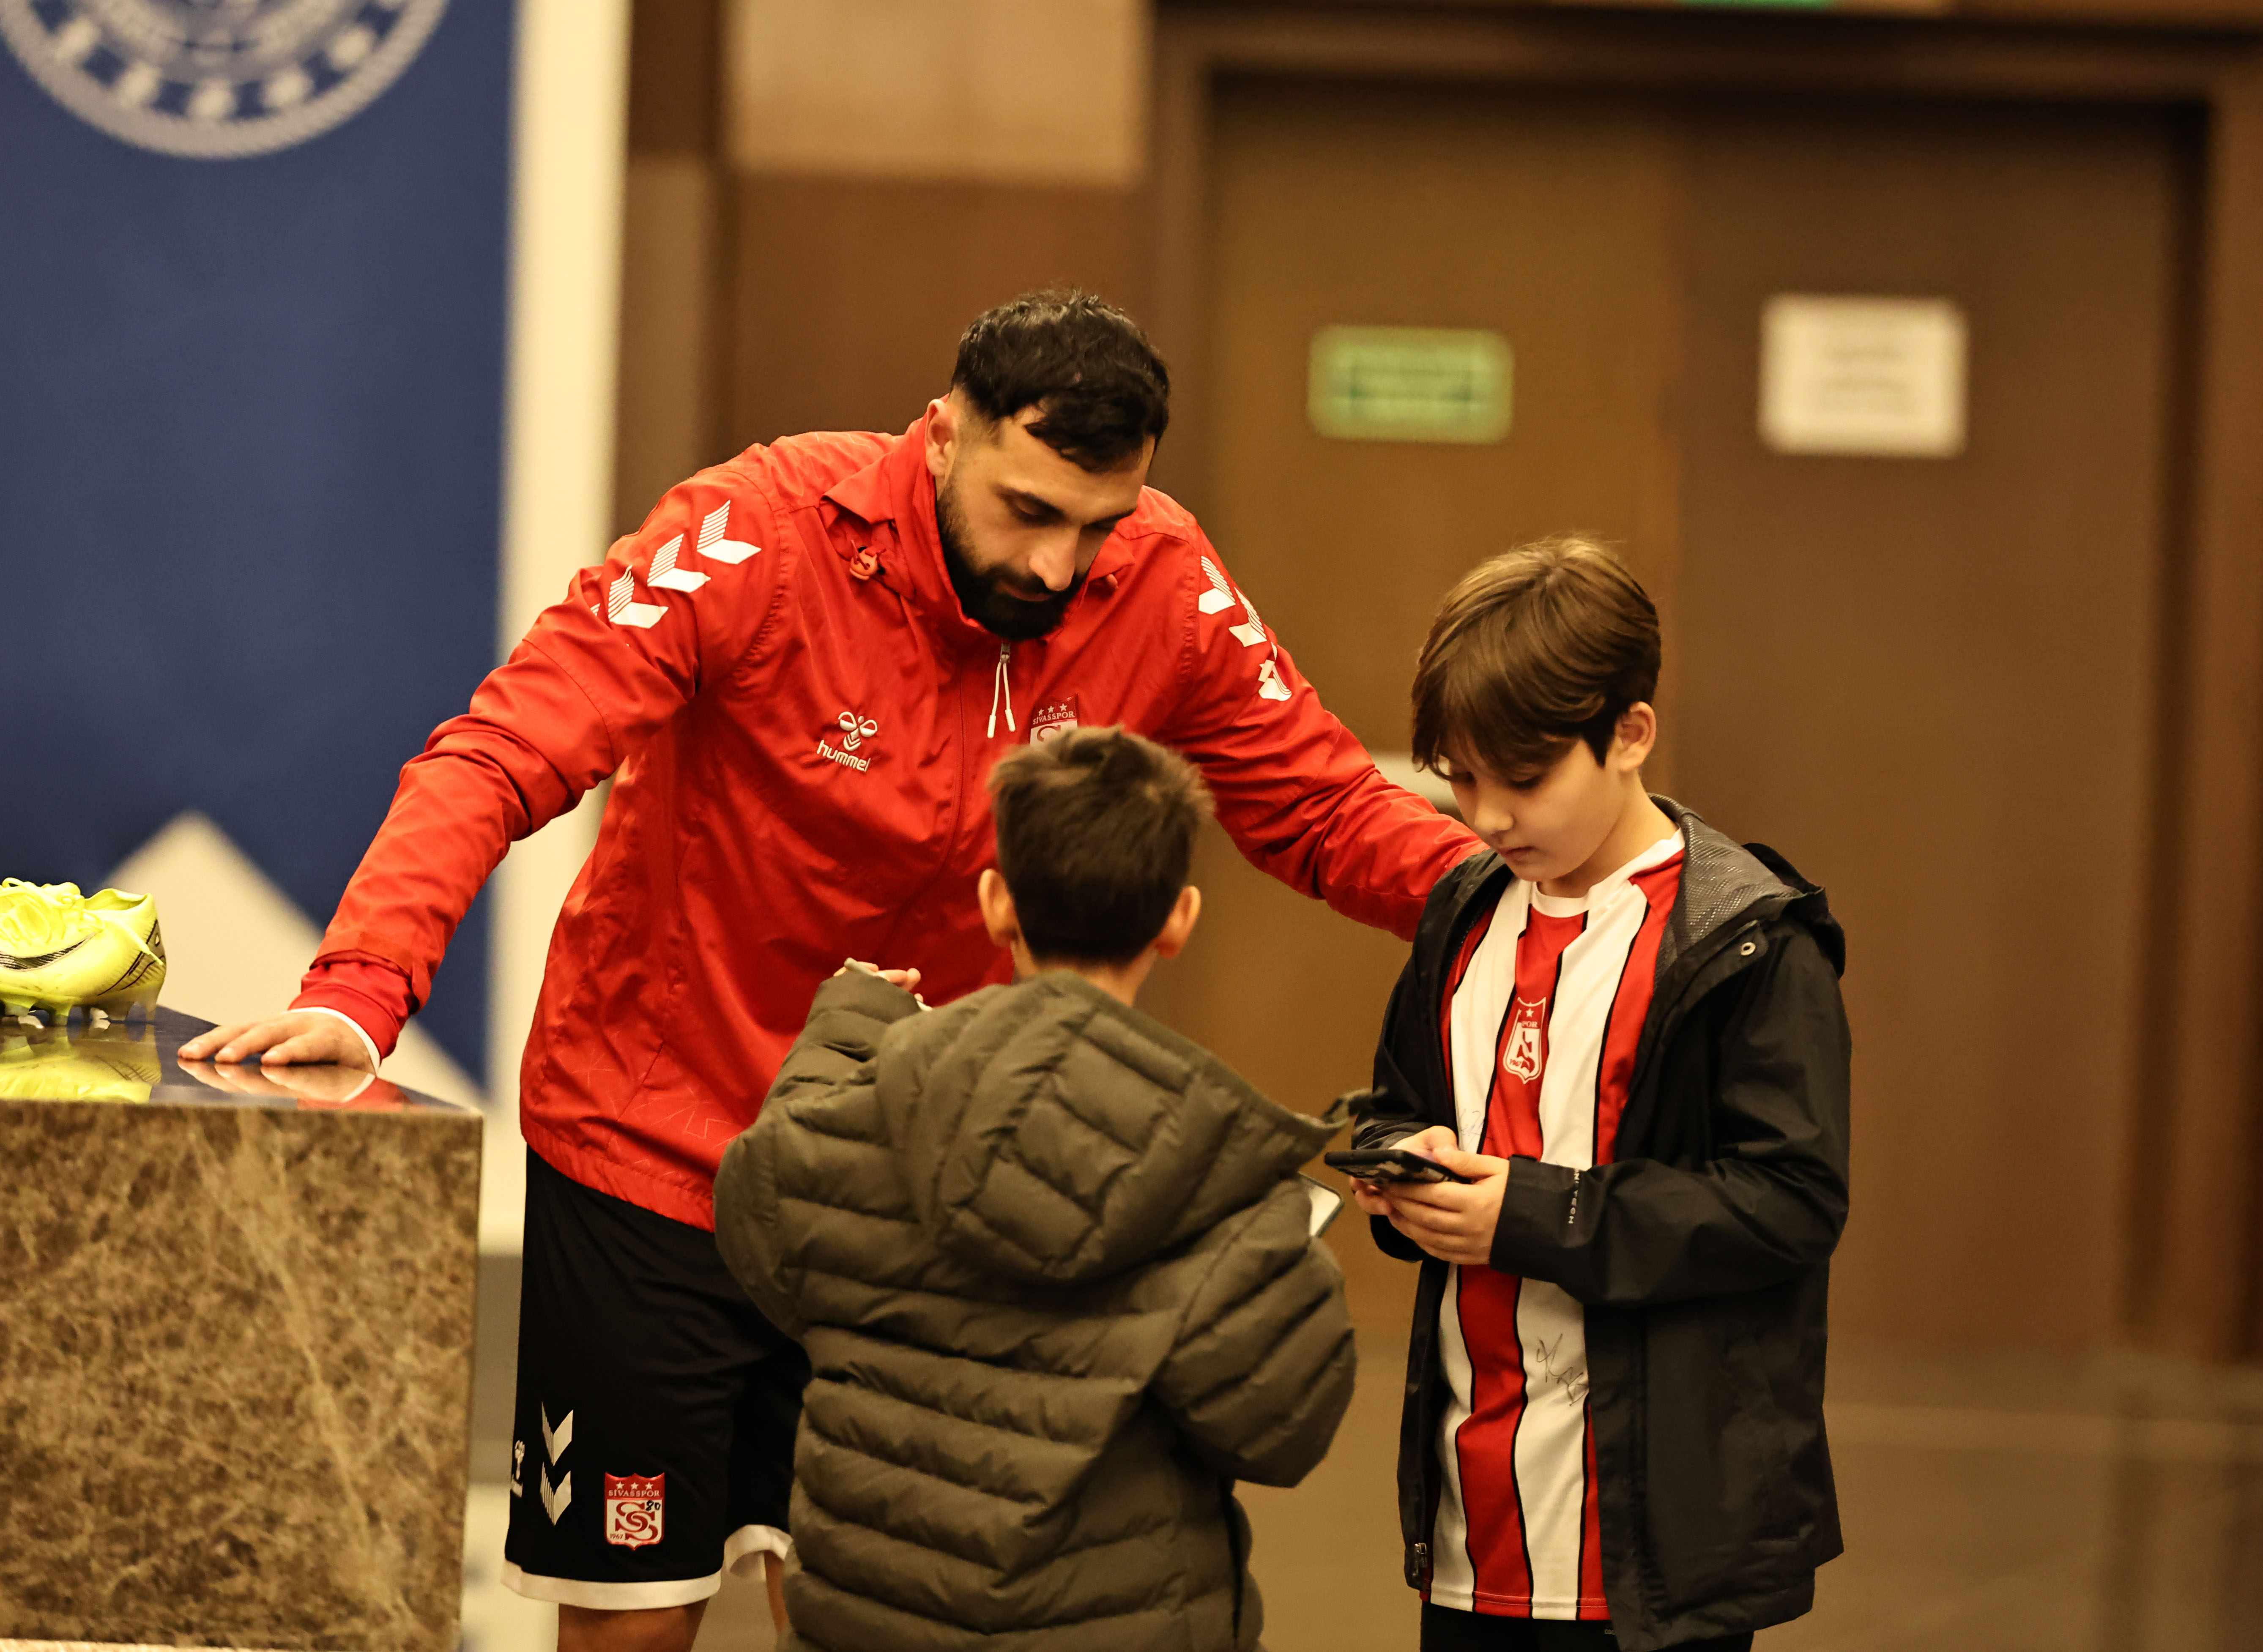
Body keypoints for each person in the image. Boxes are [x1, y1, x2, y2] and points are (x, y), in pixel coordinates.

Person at [180, 291, 1477, 1648]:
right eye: (1027, 509)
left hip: (900, 1188)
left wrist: (1536, 903)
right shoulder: (756, 532)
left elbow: (1326, 811)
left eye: (1097, 525)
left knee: (866, 1617)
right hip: (649, 1152)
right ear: (944, 434)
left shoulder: (1160, 579)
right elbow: (503, 750)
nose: (1057, 565)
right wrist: (359, 989)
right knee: (631, 1619)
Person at [712, 726, 1355, 1650]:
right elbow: (1283, 1423)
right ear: (1179, 919)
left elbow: (763, 1221)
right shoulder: (1228, 1193)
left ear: (995, 902)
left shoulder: (851, 1131)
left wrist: (844, 1036)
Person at [1346, 538, 1850, 1652]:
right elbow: (1396, 1097)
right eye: (1460, 779)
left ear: (1628, 733)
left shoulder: (1747, 942)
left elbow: (1789, 1202)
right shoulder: (1466, 913)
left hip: (1651, 1553)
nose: (1484, 817)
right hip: (1471, 1519)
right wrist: (1402, 1166)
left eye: (1523, 781)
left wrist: (1524, 1215)